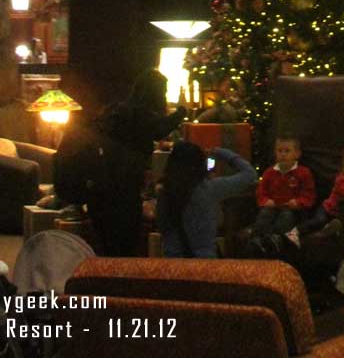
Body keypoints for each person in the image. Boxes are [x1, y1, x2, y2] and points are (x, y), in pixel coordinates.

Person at [61, 69, 187, 257]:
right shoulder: (139, 114)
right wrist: (181, 112)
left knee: (104, 243)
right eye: (164, 91)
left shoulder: (117, 111)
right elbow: (159, 129)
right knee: (124, 242)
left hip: (99, 185)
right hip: (123, 187)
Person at [156, 140, 257, 257]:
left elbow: (162, 227)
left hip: (173, 264)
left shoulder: (163, 192)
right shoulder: (210, 189)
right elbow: (249, 174)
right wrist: (220, 152)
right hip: (204, 261)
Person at [251, 135, 316, 249]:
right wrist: (266, 201)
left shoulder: (303, 172)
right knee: (265, 214)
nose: (283, 154)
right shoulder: (269, 173)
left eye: (287, 151)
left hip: (294, 210)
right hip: (273, 207)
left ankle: (276, 238)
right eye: (280, 151)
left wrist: (298, 202)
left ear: (297, 154)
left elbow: (309, 193)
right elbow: (261, 192)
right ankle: (257, 239)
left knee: (286, 216)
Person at [297, 144, 344, 239]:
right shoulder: (341, 180)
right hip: (327, 210)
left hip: (341, 214)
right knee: (319, 220)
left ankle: (325, 231)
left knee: (342, 224)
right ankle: (296, 231)